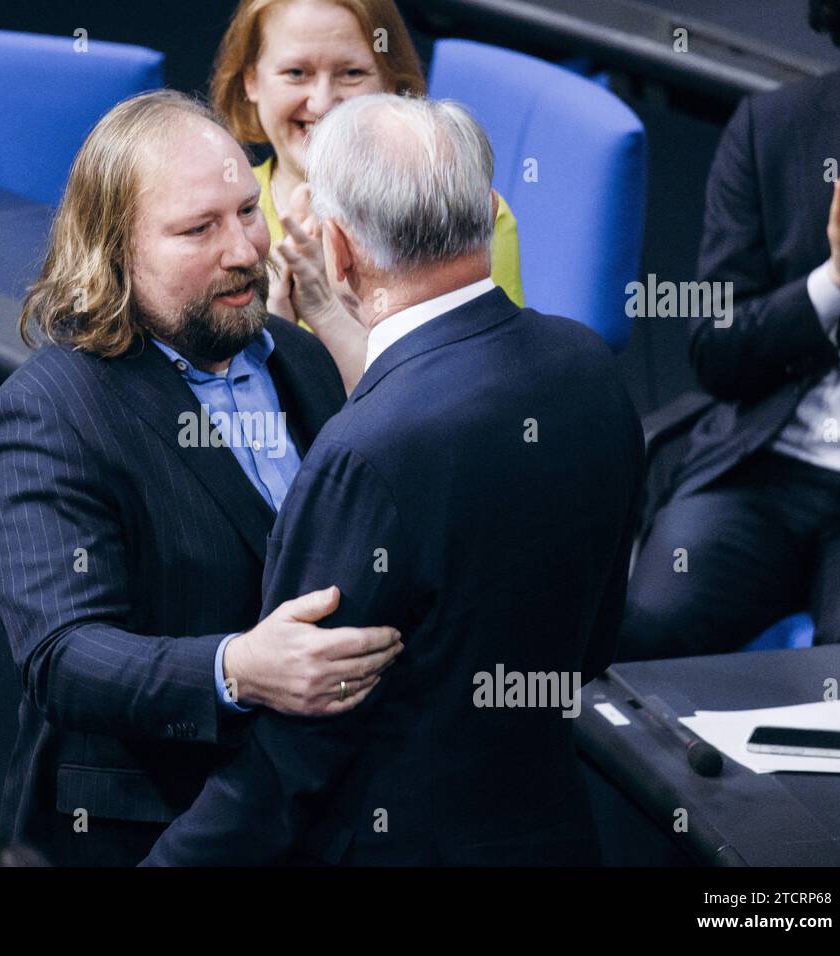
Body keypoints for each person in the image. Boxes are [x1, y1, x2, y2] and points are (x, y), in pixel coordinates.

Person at [142, 93, 643, 866]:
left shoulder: (363, 454)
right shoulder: (589, 369)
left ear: (336, 251)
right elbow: (593, 645)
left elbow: (293, 758)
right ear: (484, 210)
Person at [0, 90, 402, 867]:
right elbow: (63, 656)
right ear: (115, 253)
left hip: (320, 800)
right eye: (198, 229)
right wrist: (236, 670)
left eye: (245, 211)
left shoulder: (296, 357)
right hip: (151, 826)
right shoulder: (44, 417)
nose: (242, 249)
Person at [618, 0, 840, 660]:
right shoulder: (775, 129)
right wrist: (837, 282)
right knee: (645, 626)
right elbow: (716, 347)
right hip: (765, 470)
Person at [210, 0, 525, 389]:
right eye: (296, 73)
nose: (322, 103)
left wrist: (327, 317)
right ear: (251, 81)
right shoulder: (208, 227)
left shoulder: (465, 217)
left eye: (352, 73)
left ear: (393, 84)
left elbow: (481, 394)